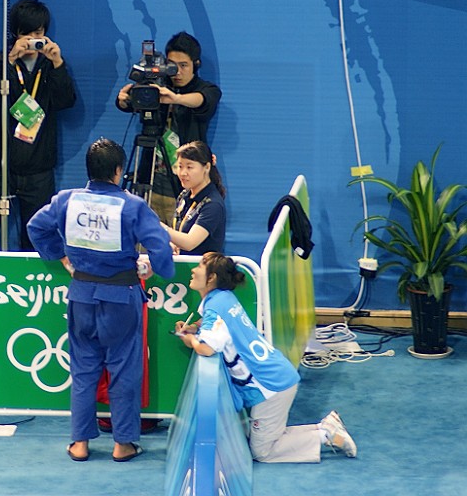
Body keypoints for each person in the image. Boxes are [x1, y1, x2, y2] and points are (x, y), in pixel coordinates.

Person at [27, 138, 175, 462]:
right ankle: (123, 444)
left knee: (83, 370)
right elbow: (161, 248)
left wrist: (60, 256)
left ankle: (79, 443)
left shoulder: (66, 200)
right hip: (122, 297)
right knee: (123, 369)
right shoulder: (133, 206)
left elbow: (35, 226)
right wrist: (162, 270)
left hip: (80, 295)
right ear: (119, 171)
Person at [175, 252, 357, 463]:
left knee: (263, 452)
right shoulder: (223, 298)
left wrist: (188, 339)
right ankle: (326, 427)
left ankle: (325, 435)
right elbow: (217, 324)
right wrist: (196, 327)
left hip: (271, 386)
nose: (193, 270)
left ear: (212, 278)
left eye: (199, 266)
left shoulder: (215, 307)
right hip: (277, 375)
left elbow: (205, 348)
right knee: (266, 439)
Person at [0, 0, 77, 251]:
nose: (34, 39)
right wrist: (10, 62)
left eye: (39, 33)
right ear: (16, 33)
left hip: (39, 169)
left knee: (37, 237)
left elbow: (66, 101)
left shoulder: (50, 64)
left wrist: (57, 63)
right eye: (28, 34)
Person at [117, 31, 222, 222]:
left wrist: (176, 98)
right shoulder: (157, 85)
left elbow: (202, 100)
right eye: (174, 66)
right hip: (151, 178)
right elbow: (133, 101)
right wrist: (124, 100)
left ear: (195, 64)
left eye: (184, 66)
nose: (178, 72)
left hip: (185, 183)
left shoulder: (206, 89)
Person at [163, 141, 226, 255]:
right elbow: (179, 234)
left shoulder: (213, 204)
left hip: (204, 269)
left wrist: (158, 226)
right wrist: (172, 244)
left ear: (207, 167)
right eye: (180, 166)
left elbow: (190, 242)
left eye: (189, 167)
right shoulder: (184, 195)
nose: (183, 173)